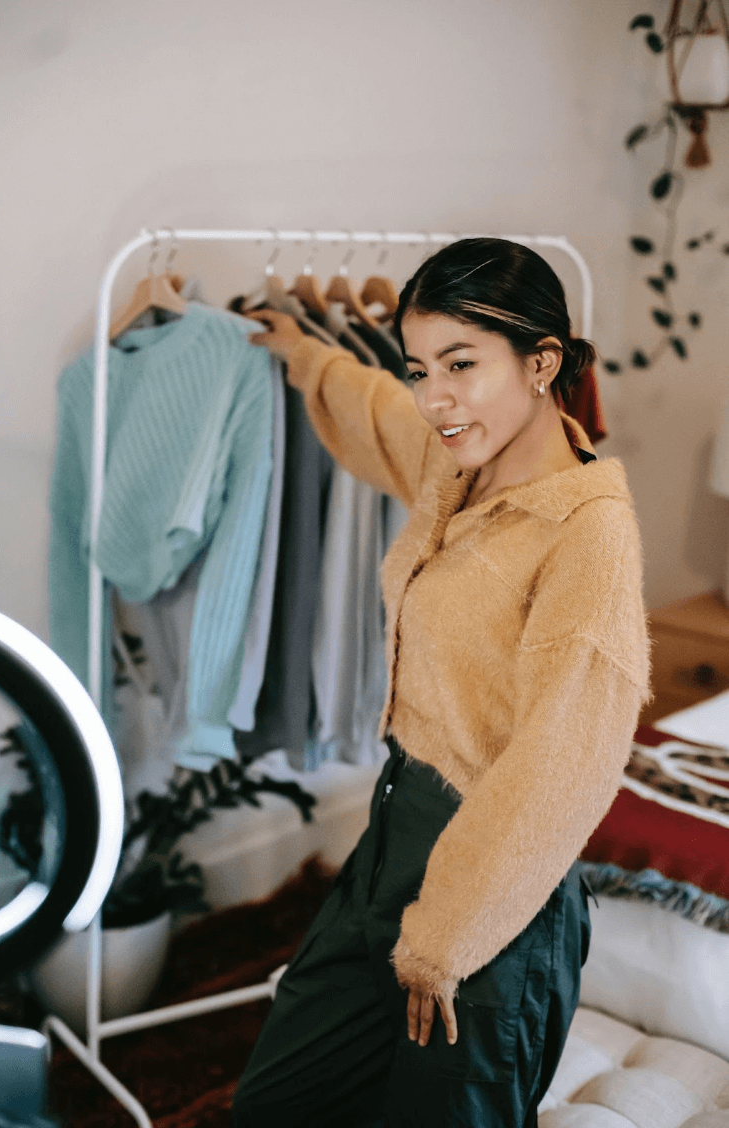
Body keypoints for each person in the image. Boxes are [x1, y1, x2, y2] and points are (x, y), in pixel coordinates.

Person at [232, 238, 651, 1127]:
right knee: (278, 1102)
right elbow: (378, 409)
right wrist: (303, 352)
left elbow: (559, 768)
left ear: (542, 363)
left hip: (494, 897)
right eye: (424, 367)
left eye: (463, 364)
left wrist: (445, 939)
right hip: (394, 838)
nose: (436, 397)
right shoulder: (456, 465)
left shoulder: (587, 533)